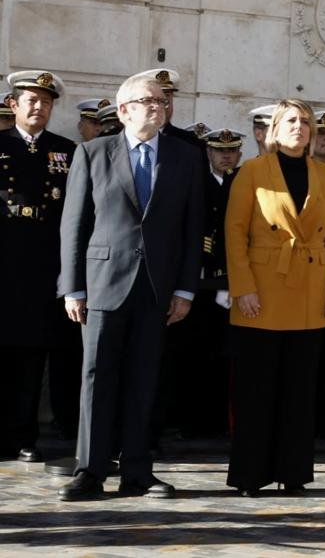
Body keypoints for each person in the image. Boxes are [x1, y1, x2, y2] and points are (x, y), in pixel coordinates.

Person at [58, 73, 204, 501]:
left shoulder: (185, 156)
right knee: (97, 377)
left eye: (162, 101)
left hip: (157, 288)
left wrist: (185, 289)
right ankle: (90, 470)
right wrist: (73, 288)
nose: (159, 106)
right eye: (148, 100)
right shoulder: (92, 153)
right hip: (103, 285)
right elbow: (74, 225)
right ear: (124, 110)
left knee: (144, 380)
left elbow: (192, 228)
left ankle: (138, 471)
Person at [224, 99, 325, 496]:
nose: (300, 126)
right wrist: (243, 287)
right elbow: (235, 232)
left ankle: (293, 473)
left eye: (305, 122)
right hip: (262, 290)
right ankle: (250, 475)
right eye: (291, 120)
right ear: (274, 130)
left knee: (299, 390)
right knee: (256, 389)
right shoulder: (252, 171)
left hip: (311, 290)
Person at [0, 71, 76, 462]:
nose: (39, 107)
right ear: (13, 104)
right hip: (4, 263)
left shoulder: (65, 150)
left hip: (45, 266)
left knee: (33, 355)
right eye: (32, 100)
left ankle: (24, 436)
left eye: (46, 102)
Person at [173, 128, 244, 438]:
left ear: (239, 154)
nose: (225, 156)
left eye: (231, 151)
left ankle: (221, 422)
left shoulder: (244, 182)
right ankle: (190, 421)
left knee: (227, 356)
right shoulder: (196, 180)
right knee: (193, 352)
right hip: (199, 278)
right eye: (219, 151)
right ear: (208, 153)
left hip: (232, 280)